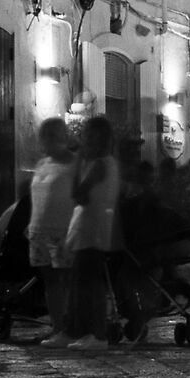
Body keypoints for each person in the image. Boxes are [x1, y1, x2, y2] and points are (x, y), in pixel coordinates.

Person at [63, 115, 128, 351]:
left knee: (90, 284)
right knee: (80, 283)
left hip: (94, 231)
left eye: (88, 135)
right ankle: (75, 329)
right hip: (88, 230)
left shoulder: (101, 164)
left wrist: (77, 160)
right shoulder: (103, 162)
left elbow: (79, 193)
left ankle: (96, 333)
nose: (83, 140)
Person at [28, 119, 78, 349]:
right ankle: (57, 326)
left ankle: (69, 327)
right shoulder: (42, 163)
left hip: (63, 229)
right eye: (44, 137)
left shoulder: (75, 164)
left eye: (52, 136)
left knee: (64, 280)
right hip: (39, 230)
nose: (47, 142)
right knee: (50, 282)